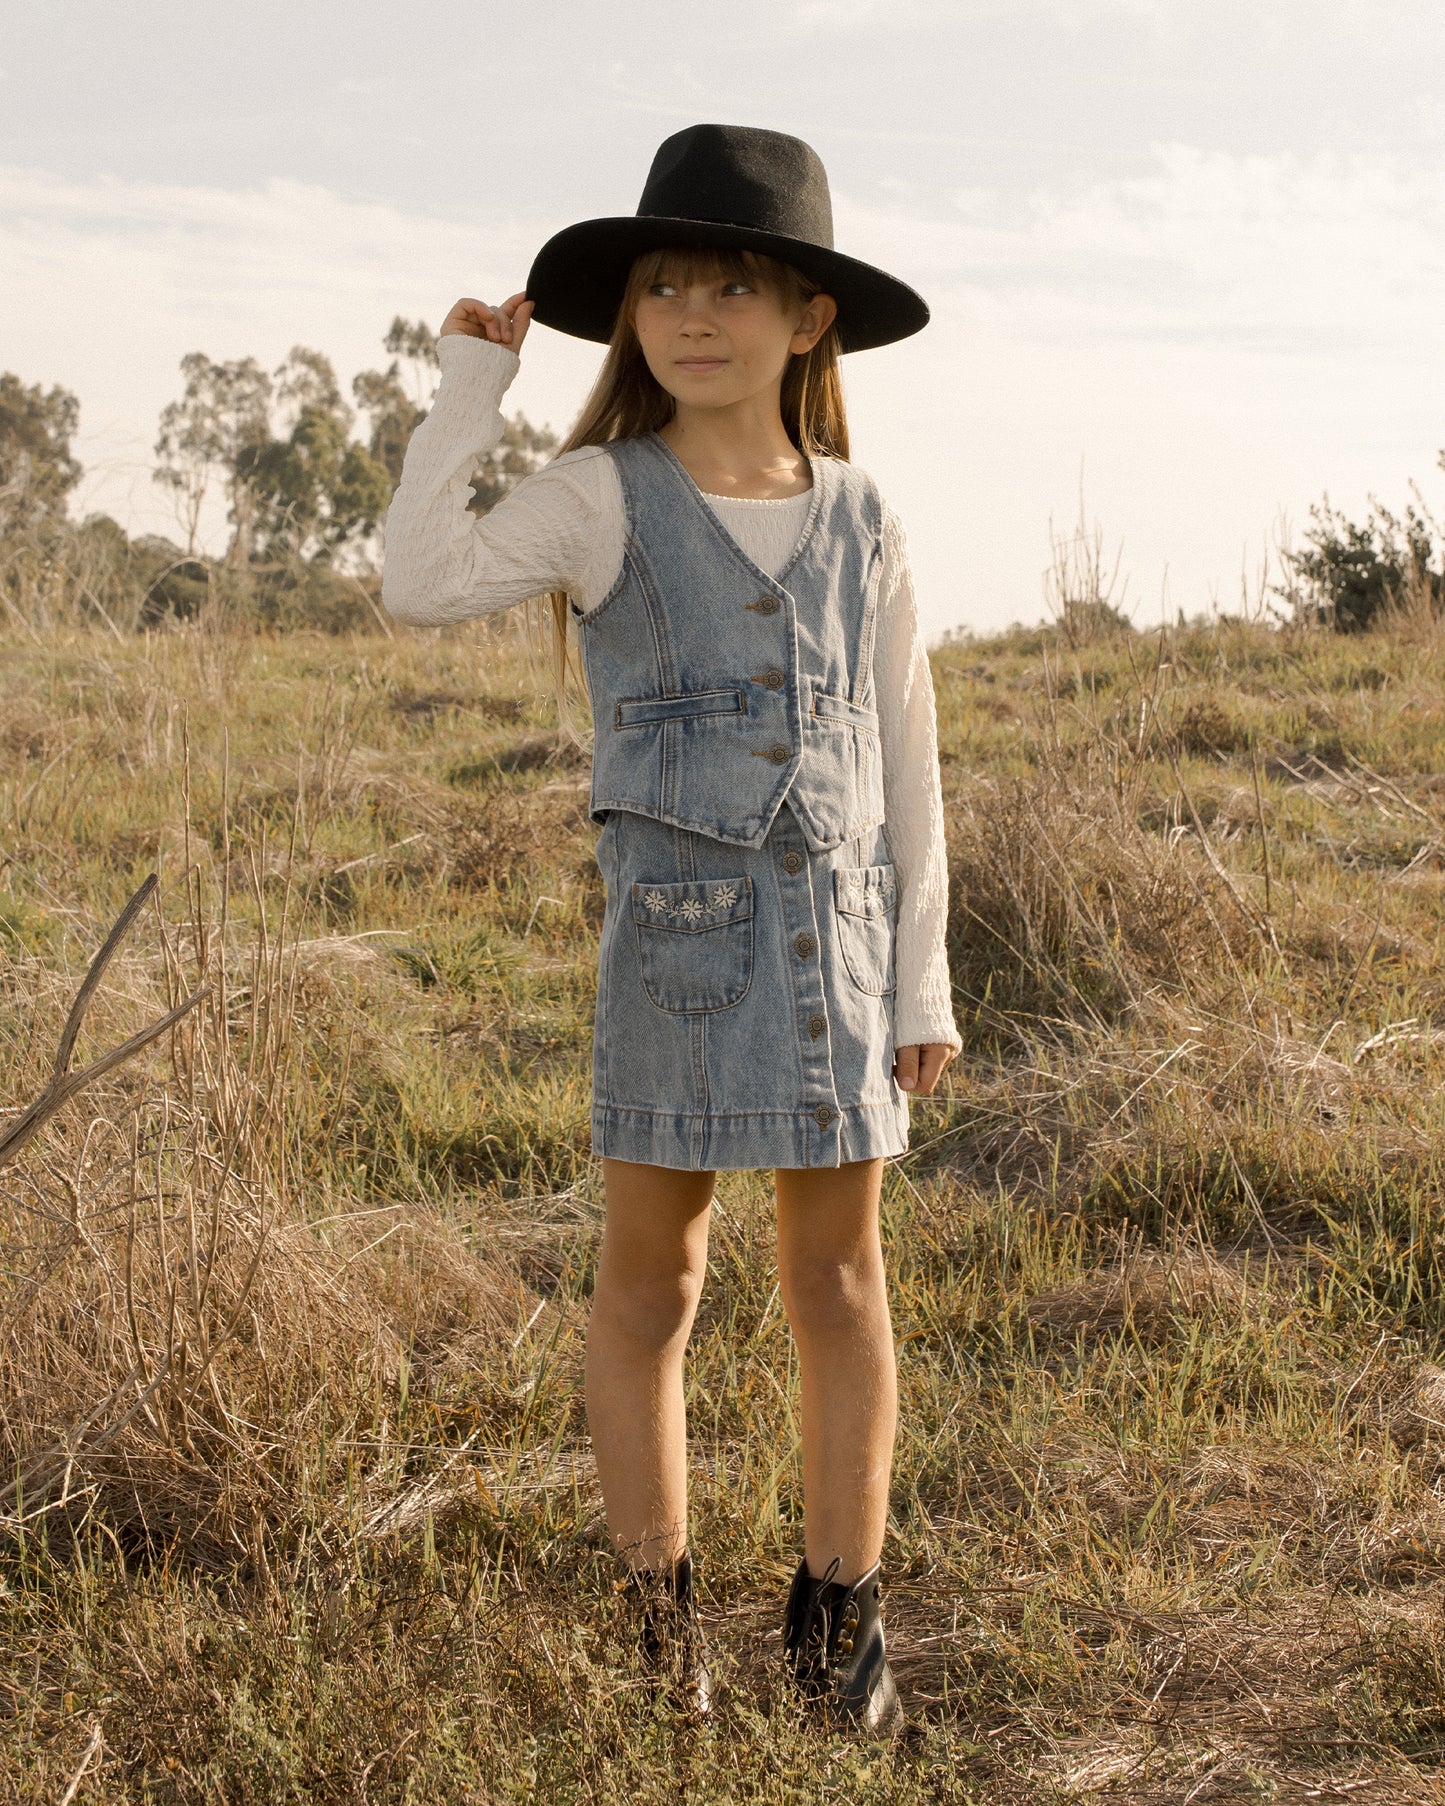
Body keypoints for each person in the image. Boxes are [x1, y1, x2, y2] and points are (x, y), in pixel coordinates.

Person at [382, 122, 961, 1734]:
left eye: (734, 286)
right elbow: (420, 581)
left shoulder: (862, 515)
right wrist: (465, 396)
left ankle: (838, 1619)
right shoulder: (600, 496)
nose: (693, 317)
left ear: (808, 320)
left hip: (841, 954)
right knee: (655, 1284)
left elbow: (906, 756)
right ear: (629, 318)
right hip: (680, 953)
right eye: (661, 289)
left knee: (839, 1287)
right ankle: (660, 1623)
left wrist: (923, 976)